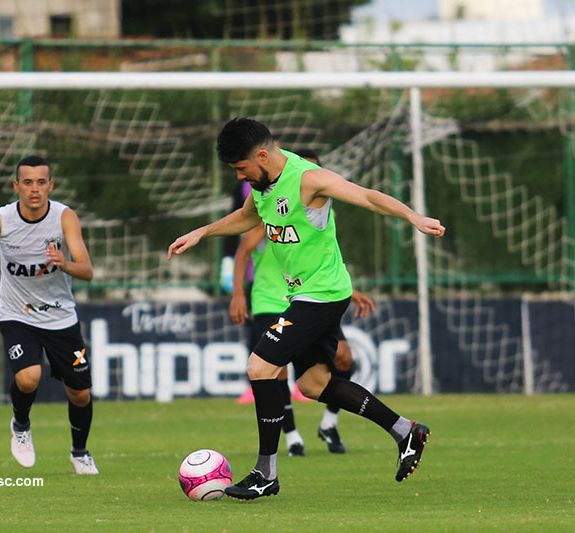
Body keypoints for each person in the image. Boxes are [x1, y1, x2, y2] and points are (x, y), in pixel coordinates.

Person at [168, 118, 445, 499]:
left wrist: (414, 217)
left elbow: (367, 196)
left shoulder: (309, 179)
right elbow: (248, 217)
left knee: (260, 367)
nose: (240, 177)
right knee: (313, 385)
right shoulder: (262, 185)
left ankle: (265, 473)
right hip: (303, 294)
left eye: (241, 168)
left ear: (262, 155)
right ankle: (405, 431)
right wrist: (202, 232)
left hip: (323, 294)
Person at [229, 147, 375, 457]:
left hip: (314, 297)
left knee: (341, 360)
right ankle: (292, 438)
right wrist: (238, 293)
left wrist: (350, 289)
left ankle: (331, 424)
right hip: (271, 298)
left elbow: (323, 257)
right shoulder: (272, 205)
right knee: (272, 368)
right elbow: (243, 248)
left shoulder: (322, 208)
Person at [0, 155, 99, 475]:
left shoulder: (65, 218)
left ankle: (80, 452)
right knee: (28, 378)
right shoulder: (0, 219)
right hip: (17, 314)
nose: (34, 189)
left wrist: (65, 264)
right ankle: (21, 425)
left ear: (50, 185)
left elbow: (87, 270)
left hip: (60, 317)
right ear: (17, 186)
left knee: (80, 394)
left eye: (41, 182)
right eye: (27, 182)